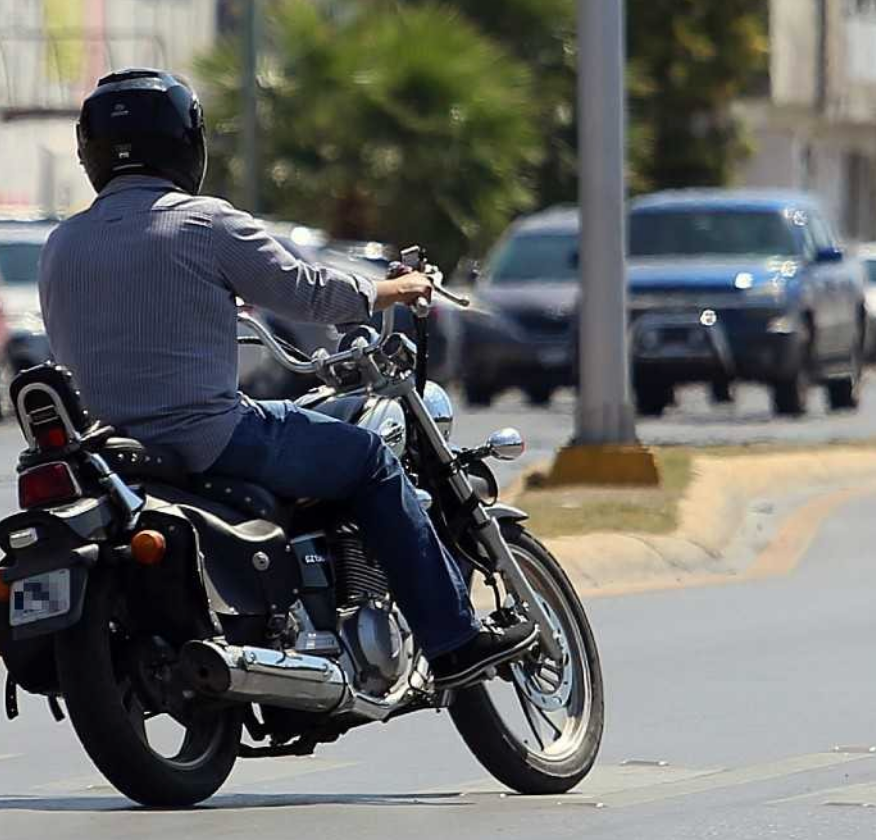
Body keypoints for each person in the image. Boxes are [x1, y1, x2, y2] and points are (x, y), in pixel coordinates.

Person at [39, 69, 536, 690]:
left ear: (91, 152)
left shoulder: (62, 242)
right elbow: (306, 292)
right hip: (210, 435)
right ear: (185, 142)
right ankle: (455, 643)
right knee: (369, 459)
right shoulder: (203, 223)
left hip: (119, 455)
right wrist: (392, 289)